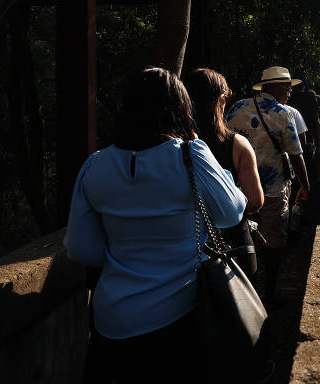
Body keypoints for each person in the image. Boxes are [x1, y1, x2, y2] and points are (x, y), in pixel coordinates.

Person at [64, 67, 248, 383]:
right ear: (181, 109)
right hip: (182, 318)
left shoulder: (95, 166)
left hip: (112, 323)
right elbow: (231, 212)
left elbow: (83, 249)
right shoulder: (190, 155)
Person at [227, 66, 310, 307]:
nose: (289, 93)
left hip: (239, 190)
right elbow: (296, 154)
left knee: (241, 239)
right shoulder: (283, 114)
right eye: (287, 88)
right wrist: (305, 186)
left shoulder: (237, 108)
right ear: (276, 88)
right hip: (272, 191)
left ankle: (244, 293)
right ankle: (269, 295)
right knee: (274, 243)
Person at [184, 68, 264, 281]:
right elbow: (255, 201)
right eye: (228, 96)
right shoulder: (237, 145)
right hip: (233, 244)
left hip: (187, 246)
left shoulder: (173, 145)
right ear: (221, 99)